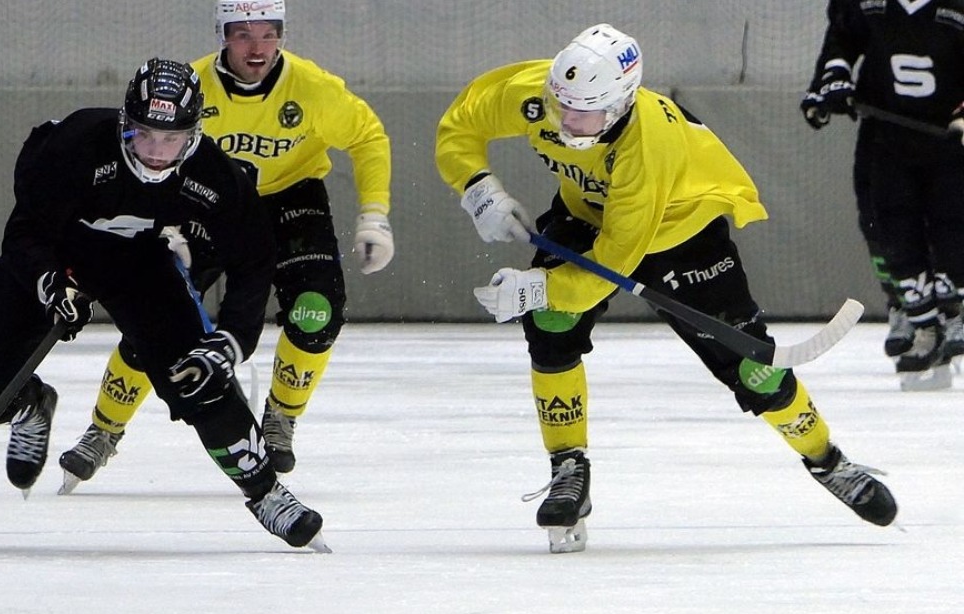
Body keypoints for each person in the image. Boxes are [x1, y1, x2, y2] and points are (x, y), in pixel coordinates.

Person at [436, 23, 898, 553]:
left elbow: (605, 269)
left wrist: (536, 287)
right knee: (550, 326)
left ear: (619, 105)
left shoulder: (646, 148)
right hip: (588, 212)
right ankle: (568, 468)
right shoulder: (539, 95)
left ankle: (828, 461)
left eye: (581, 111)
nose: (564, 121)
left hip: (682, 229)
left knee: (756, 370)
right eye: (560, 104)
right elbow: (460, 124)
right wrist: (478, 189)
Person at [0, 57, 327, 551]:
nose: (156, 151)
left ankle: (266, 493)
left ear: (193, 133)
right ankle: (30, 406)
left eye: (171, 138)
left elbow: (254, 260)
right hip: (55, 255)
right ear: (126, 123)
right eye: (145, 134)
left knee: (199, 373)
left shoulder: (212, 173)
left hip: (133, 263)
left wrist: (230, 342)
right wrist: (49, 284)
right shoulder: (78, 142)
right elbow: (26, 232)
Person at [56, 0, 393, 489]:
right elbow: (142, 151)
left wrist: (375, 215)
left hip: (291, 198)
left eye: (267, 34)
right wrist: (157, 224)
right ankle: (104, 429)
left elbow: (367, 137)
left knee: (317, 308)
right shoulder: (188, 88)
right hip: (210, 205)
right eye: (242, 34)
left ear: (282, 34)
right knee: (155, 317)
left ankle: (281, 417)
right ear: (222, 36)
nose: (256, 48)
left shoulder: (314, 88)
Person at [801, 0, 964, 390]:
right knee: (889, 228)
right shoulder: (867, 3)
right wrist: (828, 86)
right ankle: (918, 318)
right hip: (886, 138)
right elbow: (841, 40)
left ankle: (953, 311)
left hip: (949, 144)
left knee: (953, 230)